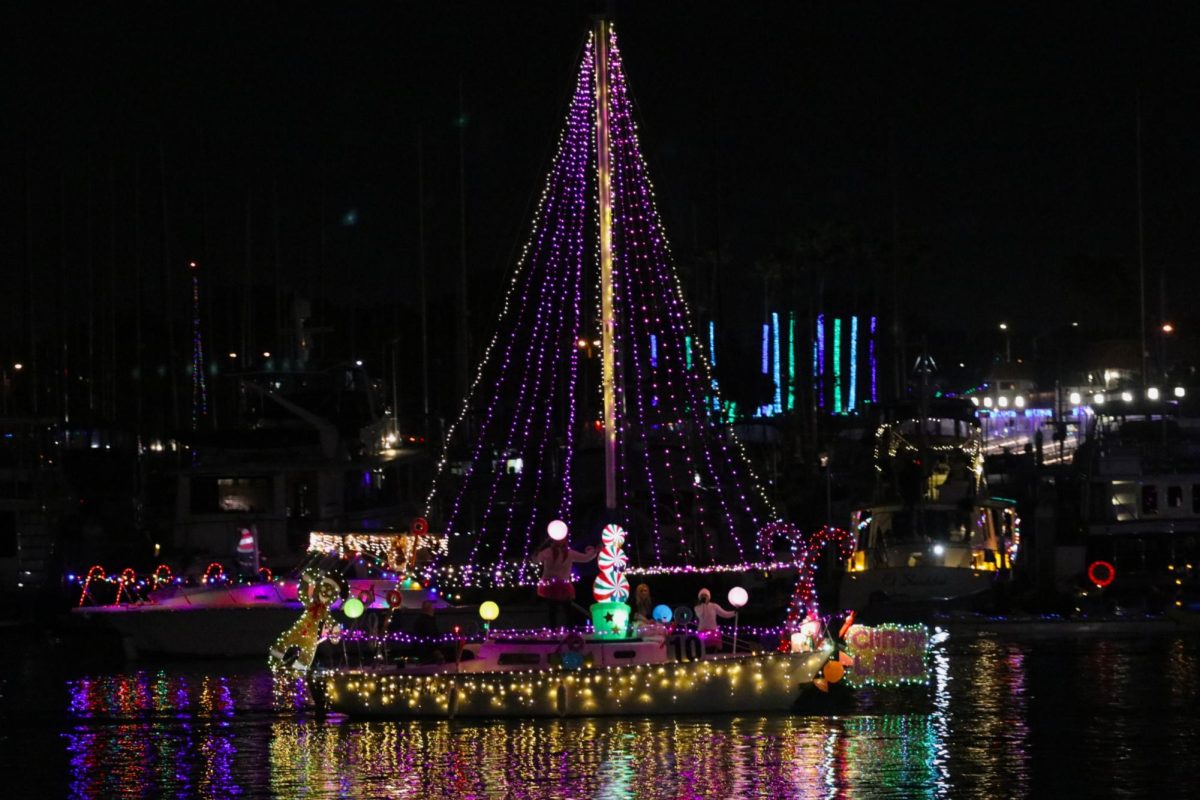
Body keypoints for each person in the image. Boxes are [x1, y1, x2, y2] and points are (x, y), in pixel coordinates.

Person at [535, 537, 597, 628]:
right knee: (553, 609)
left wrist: (593, 551)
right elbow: (537, 560)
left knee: (566, 609)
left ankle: (569, 630)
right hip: (550, 585)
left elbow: (585, 558)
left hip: (563, 585)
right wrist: (538, 551)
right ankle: (555, 630)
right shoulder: (548, 552)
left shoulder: (569, 553)